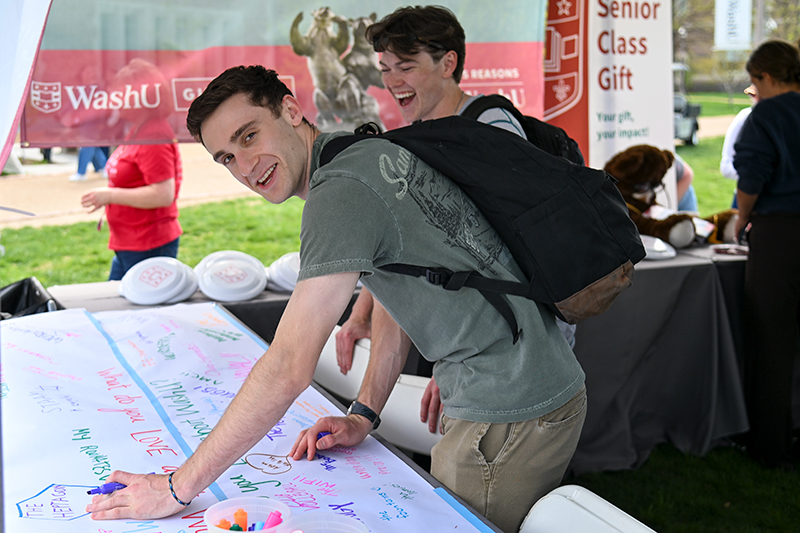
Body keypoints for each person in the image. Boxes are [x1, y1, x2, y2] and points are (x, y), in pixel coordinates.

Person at [86, 65, 587, 533]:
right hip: (517, 383)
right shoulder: (357, 151)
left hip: (511, 404)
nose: (245, 166)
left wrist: (177, 487)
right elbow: (400, 289)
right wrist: (365, 413)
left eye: (249, 136)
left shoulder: (341, 191)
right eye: (227, 158)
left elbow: (287, 367)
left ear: (290, 109)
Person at [335, 7, 577, 433]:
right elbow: (404, 245)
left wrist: (461, 367)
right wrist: (360, 312)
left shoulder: (488, 128)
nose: (392, 81)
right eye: (385, 68)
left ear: (448, 63)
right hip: (479, 336)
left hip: (521, 345)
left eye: (406, 66)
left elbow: (506, 257)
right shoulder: (423, 135)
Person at [733, 39, 800, 469]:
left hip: (781, 236)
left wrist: (742, 219)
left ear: (766, 77)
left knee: (773, 342)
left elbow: (752, 177)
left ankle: (770, 447)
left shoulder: (767, 116)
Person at [80, 59, 183, 280]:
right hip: (132, 241)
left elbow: (163, 194)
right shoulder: (139, 129)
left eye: (122, 94)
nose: (117, 100)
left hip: (148, 243)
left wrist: (109, 195)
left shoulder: (154, 135)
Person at [720, 84, 759, 208]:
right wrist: (753, 176)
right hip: (747, 198)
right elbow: (726, 166)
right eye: (754, 96)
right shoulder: (745, 118)